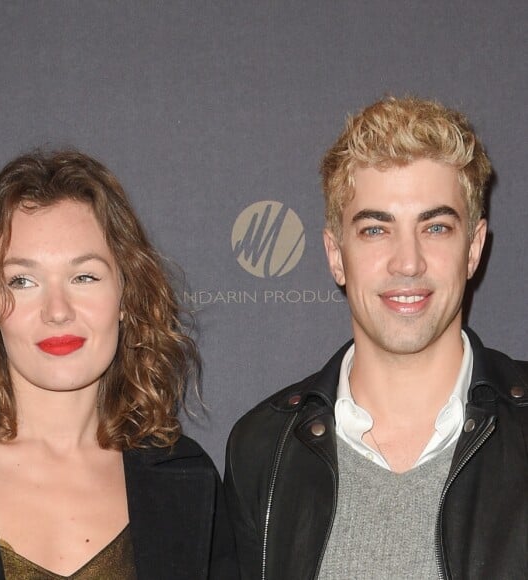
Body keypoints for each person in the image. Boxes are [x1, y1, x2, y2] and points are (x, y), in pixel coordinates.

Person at [224, 96, 527, 579]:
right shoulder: (263, 449)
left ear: (473, 248)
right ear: (335, 255)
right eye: (374, 230)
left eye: (436, 227)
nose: (408, 262)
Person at [0, 150, 237, 579]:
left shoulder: (187, 481)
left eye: (84, 276)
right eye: (23, 281)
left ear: (125, 295)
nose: (58, 310)